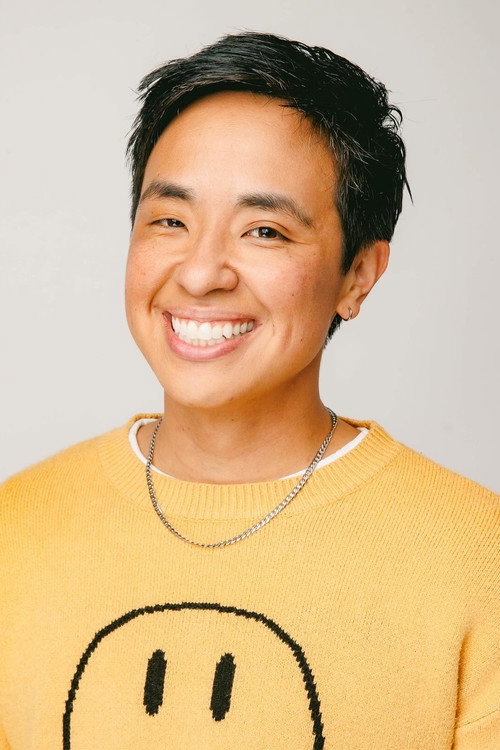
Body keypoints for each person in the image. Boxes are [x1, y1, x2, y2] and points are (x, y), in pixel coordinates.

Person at [0, 31, 497, 750]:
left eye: (264, 231)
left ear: (358, 275)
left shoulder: (478, 558)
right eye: (170, 221)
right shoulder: (15, 530)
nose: (201, 273)